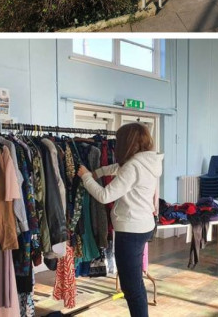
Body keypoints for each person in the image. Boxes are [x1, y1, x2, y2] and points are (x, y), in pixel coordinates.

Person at [76, 123, 163, 317]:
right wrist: (98, 173)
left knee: (131, 288)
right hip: (144, 225)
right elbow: (120, 168)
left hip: (131, 231)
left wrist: (87, 177)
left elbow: (105, 195)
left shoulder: (133, 166)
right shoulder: (148, 161)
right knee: (135, 282)